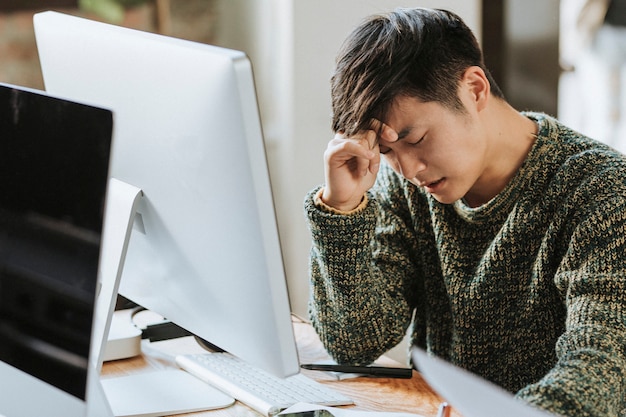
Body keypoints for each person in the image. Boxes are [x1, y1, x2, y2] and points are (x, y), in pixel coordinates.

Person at [303, 7, 626, 417]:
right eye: (385, 152)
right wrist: (342, 209)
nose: (407, 170)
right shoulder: (408, 183)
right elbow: (355, 341)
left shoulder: (605, 193)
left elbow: (599, 372)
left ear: (474, 89)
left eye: (415, 138)